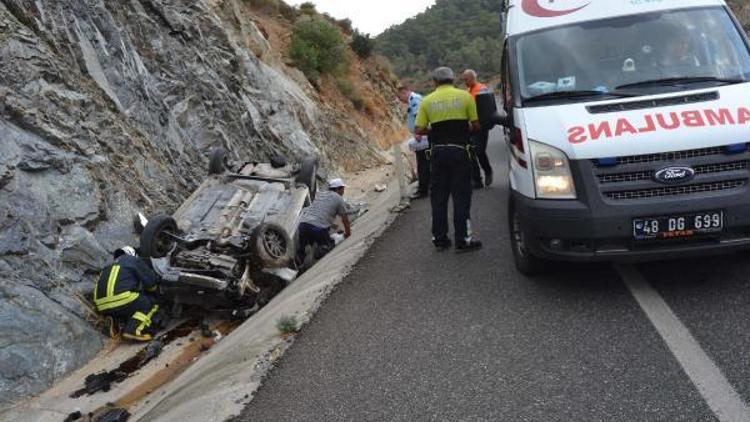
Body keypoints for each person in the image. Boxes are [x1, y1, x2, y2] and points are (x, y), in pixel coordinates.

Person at [416, 67, 483, 253]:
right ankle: (463, 240)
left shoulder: (427, 100)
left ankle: (440, 239)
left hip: (437, 154)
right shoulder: (465, 97)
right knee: (461, 197)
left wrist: (436, 130)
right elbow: (476, 125)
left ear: (435, 82)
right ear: (452, 80)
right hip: (460, 152)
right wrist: (462, 128)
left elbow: (419, 129)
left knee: (439, 198)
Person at [94, 246, 165, 342]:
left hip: (101, 305)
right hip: (122, 299)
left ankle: (117, 322)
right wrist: (157, 292)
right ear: (133, 254)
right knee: (149, 303)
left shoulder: (107, 266)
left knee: (129, 304)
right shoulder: (132, 260)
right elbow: (151, 282)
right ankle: (133, 330)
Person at [297, 178, 352, 263]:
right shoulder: (338, 199)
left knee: (303, 247)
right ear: (338, 189)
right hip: (317, 228)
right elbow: (345, 220)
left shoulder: (320, 195)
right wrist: (348, 234)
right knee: (327, 245)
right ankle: (317, 254)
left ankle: (300, 263)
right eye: (342, 189)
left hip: (303, 225)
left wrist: (331, 224)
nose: (343, 191)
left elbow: (319, 212)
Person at [461, 69, 494, 189]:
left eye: (466, 79)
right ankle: (477, 180)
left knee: (479, 151)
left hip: (480, 126)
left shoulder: (482, 89)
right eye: (463, 80)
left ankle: (488, 170)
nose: (464, 82)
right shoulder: (467, 91)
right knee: (470, 153)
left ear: (472, 78)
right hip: (470, 127)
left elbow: (487, 108)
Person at [398, 86, 430, 199]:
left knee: (422, 163)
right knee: (424, 162)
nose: (400, 100)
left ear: (405, 92)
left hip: (422, 135)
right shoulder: (414, 99)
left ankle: (423, 189)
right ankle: (426, 185)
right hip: (423, 134)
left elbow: (418, 116)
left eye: (400, 96)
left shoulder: (414, 99)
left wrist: (418, 132)